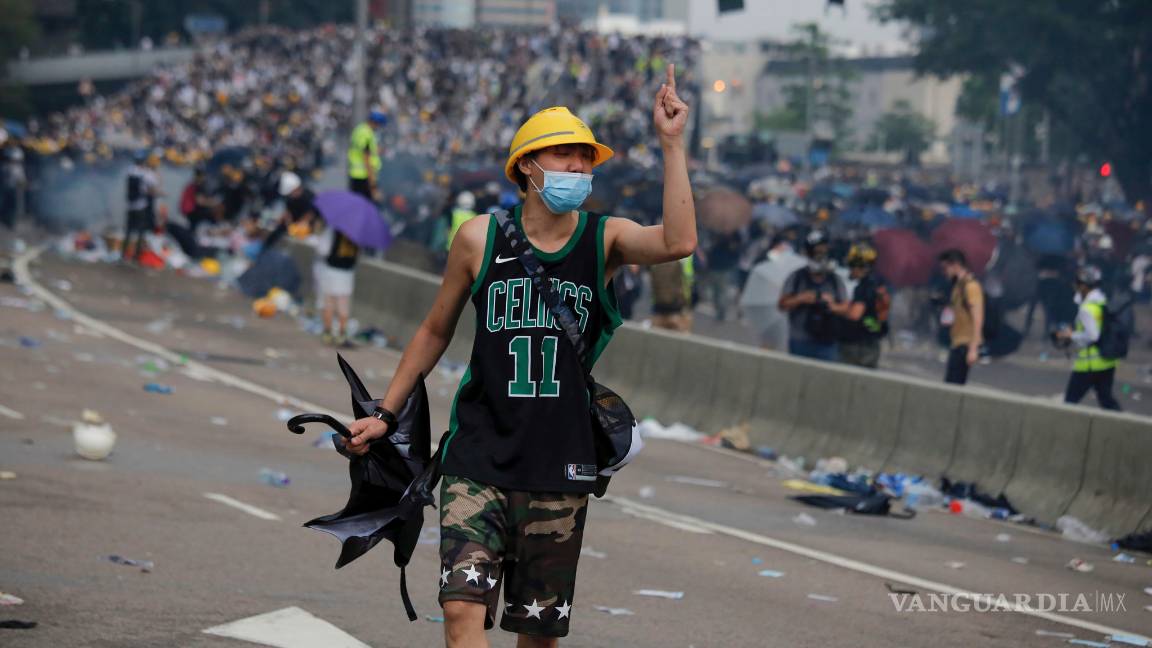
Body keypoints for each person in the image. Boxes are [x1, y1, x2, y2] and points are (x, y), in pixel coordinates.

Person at [344, 64, 693, 648]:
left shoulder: (604, 239)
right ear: (527, 166)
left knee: (538, 635)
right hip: (477, 456)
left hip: (560, 467)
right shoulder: (478, 238)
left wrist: (672, 144)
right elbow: (434, 330)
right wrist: (384, 413)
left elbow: (679, 242)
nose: (578, 168)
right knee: (461, 609)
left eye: (585, 159)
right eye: (564, 155)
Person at [1055, 266, 1122, 410]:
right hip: (1106, 362)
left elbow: (1093, 335)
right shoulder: (1101, 301)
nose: (1074, 285)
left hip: (1088, 364)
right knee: (1106, 400)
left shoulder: (1087, 308)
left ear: (1084, 286)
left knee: (1070, 402)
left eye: (1077, 283)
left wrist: (1070, 335)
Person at [778, 230, 848, 362]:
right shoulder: (797, 277)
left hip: (827, 342)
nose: (821, 255)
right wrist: (801, 298)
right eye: (817, 251)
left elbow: (846, 308)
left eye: (824, 250)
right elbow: (782, 304)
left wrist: (832, 305)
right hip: (800, 340)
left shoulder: (835, 280)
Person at [306, 183, 360, 346]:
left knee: (328, 302)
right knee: (343, 303)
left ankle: (328, 332)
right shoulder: (357, 230)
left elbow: (323, 249)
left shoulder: (335, 228)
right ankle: (342, 333)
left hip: (331, 269)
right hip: (348, 272)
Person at [740, 235, 806, 351]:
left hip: (778, 310)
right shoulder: (766, 263)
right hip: (770, 308)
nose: (783, 250)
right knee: (769, 340)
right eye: (781, 247)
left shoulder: (791, 269)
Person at [830, 244, 890, 369]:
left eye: (852, 265)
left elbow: (855, 314)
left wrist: (833, 307)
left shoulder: (863, 288)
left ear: (859, 265)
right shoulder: (877, 283)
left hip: (855, 346)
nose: (851, 269)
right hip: (871, 341)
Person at [938, 249, 984, 385]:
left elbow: (978, 318)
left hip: (965, 344)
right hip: (957, 341)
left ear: (956, 265)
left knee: (954, 383)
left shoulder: (971, 287)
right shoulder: (958, 286)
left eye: (945, 267)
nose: (944, 272)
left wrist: (973, 349)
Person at [122, 150, 162, 263]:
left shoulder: (129, 170)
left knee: (128, 231)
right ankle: (136, 256)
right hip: (141, 206)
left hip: (130, 206)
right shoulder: (146, 173)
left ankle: (123, 255)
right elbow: (154, 186)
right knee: (140, 231)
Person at [348, 109, 387, 201]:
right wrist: (373, 186)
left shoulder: (359, 129)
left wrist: (377, 150)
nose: (378, 127)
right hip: (364, 177)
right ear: (375, 123)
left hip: (356, 175)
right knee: (365, 205)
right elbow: (366, 158)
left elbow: (363, 150)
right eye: (379, 124)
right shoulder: (367, 134)